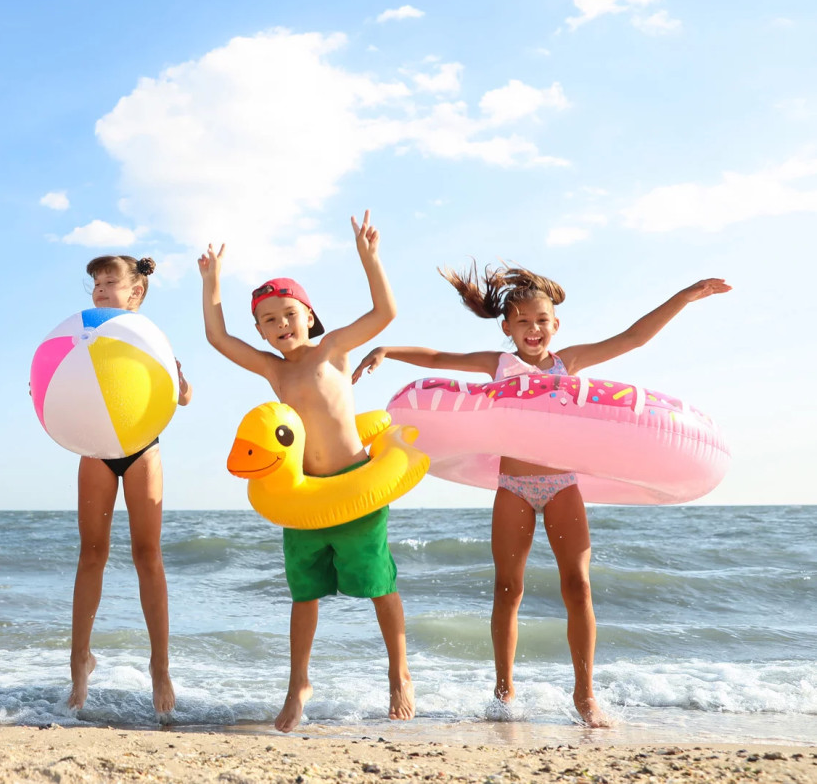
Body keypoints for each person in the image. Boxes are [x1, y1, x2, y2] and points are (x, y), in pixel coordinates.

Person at [355, 262, 731, 727]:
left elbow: (632, 338)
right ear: (507, 327)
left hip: (561, 485)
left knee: (578, 586)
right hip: (513, 485)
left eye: (542, 321)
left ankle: (585, 695)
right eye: (524, 322)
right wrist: (386, 350)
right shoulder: (497, 365)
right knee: (508, 588)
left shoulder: (565, 364)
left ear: (556, 325)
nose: (534, 330)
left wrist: (686, 295)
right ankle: (504, 692)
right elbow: (435, 360)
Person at [199, 211, 410, 733]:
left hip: (354, 488)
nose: (281, 325)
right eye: (269, 320)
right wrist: (213, 284)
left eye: (288, 313)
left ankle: (399, 674)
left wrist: (370, 259)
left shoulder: (333, 349)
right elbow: (218, 339)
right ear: (262, 333)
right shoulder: (274, 368)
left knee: (379, 584)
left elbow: (385, 312)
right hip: (304, 497)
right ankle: (298, 684)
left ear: (308, 313)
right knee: (304, 594)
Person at [68, 255, 192, 718]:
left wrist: (180, 386)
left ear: (136, 292)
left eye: (109, 282)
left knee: (148, 554)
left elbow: (183, 394)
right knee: (91, 553)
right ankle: (79, 660)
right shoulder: (82, 332)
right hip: (95, 447)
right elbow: (69, 384)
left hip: (143, 447)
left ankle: (160, 666)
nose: (99, 289)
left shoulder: (148, 336)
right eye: (95, 283)